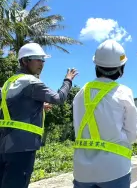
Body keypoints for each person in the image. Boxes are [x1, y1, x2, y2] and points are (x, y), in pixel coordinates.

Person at [0, 42, 78, 188]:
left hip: (4, 145)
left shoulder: (8, 83)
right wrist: (68, 80)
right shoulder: (32, 82)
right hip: (22, 146)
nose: (42, 63)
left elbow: (11, 107)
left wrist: (38, 106)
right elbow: (58, 98)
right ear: (24, 61)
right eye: (37, 59)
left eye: (43, 60)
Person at [72, 39, 137, 188]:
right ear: (121, 68)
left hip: (82, 170)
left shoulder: (81, 92)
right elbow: (132, 134)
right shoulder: (124, 92)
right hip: (115, 169)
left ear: (96, 65)